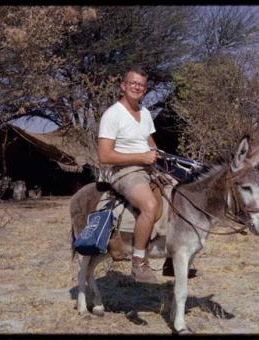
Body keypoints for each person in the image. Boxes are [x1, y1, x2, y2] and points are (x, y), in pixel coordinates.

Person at [97, 66, 159, 284]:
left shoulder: (145, 113)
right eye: (132, 83)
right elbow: (104, 155)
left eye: (141, 84)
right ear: (122, 86)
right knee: (150, 205)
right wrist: (141, 158)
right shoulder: (112, 115)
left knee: (181, 195)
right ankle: (139, 262)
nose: (136, 87)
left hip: (148, 168)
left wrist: (155, 155)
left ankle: (173, 252)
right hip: (123, 171)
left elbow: (150, 144)